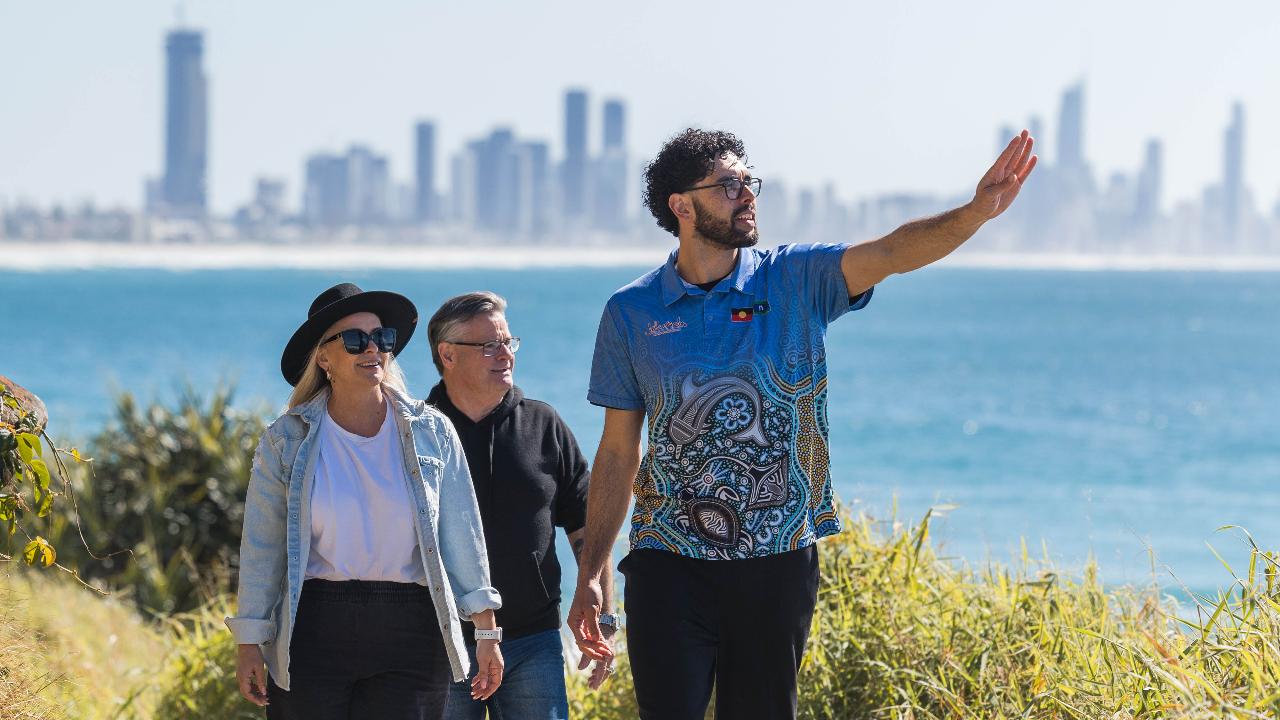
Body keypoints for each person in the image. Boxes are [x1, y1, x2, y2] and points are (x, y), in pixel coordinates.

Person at [568, 128, 1037, 719]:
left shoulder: (795, 278)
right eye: (728, 185)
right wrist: (592, 572)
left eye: (749, 182)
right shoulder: (630, 312)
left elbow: (892, 252)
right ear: (681, 206)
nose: (747, 196)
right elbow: (618, 450)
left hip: (777, 558)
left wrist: (973, 214)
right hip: (668, 560)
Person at [227, 282, 505, 719]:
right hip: (313, 629)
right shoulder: (285, 441)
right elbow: (263, 547)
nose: (372, 348)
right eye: (355, 340)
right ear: (323, 358)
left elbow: (463, 534)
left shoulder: (432, 432)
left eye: (381, 337)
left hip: (413, 632)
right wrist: (249, 642)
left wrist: (487, 633)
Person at [424, 291, 616, 720]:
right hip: (442, 643)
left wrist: (604, 618)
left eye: (508, 342)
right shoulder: (419, 433)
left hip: (534, 641)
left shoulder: (544, 424)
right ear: (447, 355)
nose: (505, 354)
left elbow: (588, 526)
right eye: (489, 345)